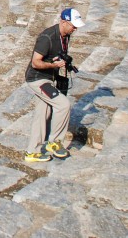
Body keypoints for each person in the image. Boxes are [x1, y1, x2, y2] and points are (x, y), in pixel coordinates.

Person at [24, 8, 84, 163]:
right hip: (38, 79)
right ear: (63, 22)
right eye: (73, 25)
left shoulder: (65, 36)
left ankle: (32, 152)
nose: (75, 29)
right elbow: (36, 62)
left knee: (42, 113)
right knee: (63, 105)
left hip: (49, 78)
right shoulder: (47, 37)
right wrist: (53, 64)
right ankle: (54, 142)